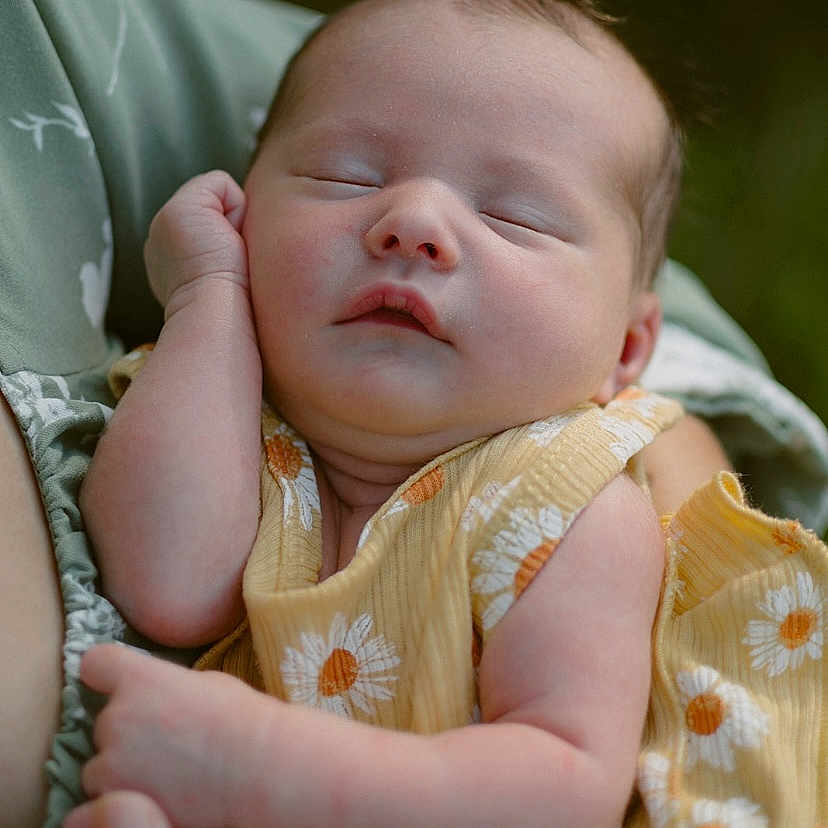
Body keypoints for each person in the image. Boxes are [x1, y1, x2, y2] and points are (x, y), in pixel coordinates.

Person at [65, 0, 770, 825]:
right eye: (346, 175)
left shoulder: (565, 499)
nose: (413, 223)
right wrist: (207, 295)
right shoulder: (217, 397)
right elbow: (166, 586)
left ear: (623, 349)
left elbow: (565, 784)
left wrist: (266, 770)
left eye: (516, 215)